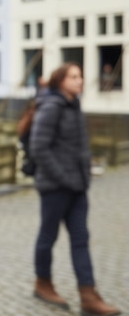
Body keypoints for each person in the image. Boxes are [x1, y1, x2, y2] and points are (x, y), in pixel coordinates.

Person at [29, 63, 120, 315]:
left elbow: (78, 148)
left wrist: (83, 176)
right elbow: (39, 148)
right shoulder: (51, 107)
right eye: (74, 77)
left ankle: (88, 295)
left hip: (78, 187)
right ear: (60, 81)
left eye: (81, 76)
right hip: (55, 187)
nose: (80, 80)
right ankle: (42, 283)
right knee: (48, 237)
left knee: (81, 239)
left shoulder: (74, 106)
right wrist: (64, 177)